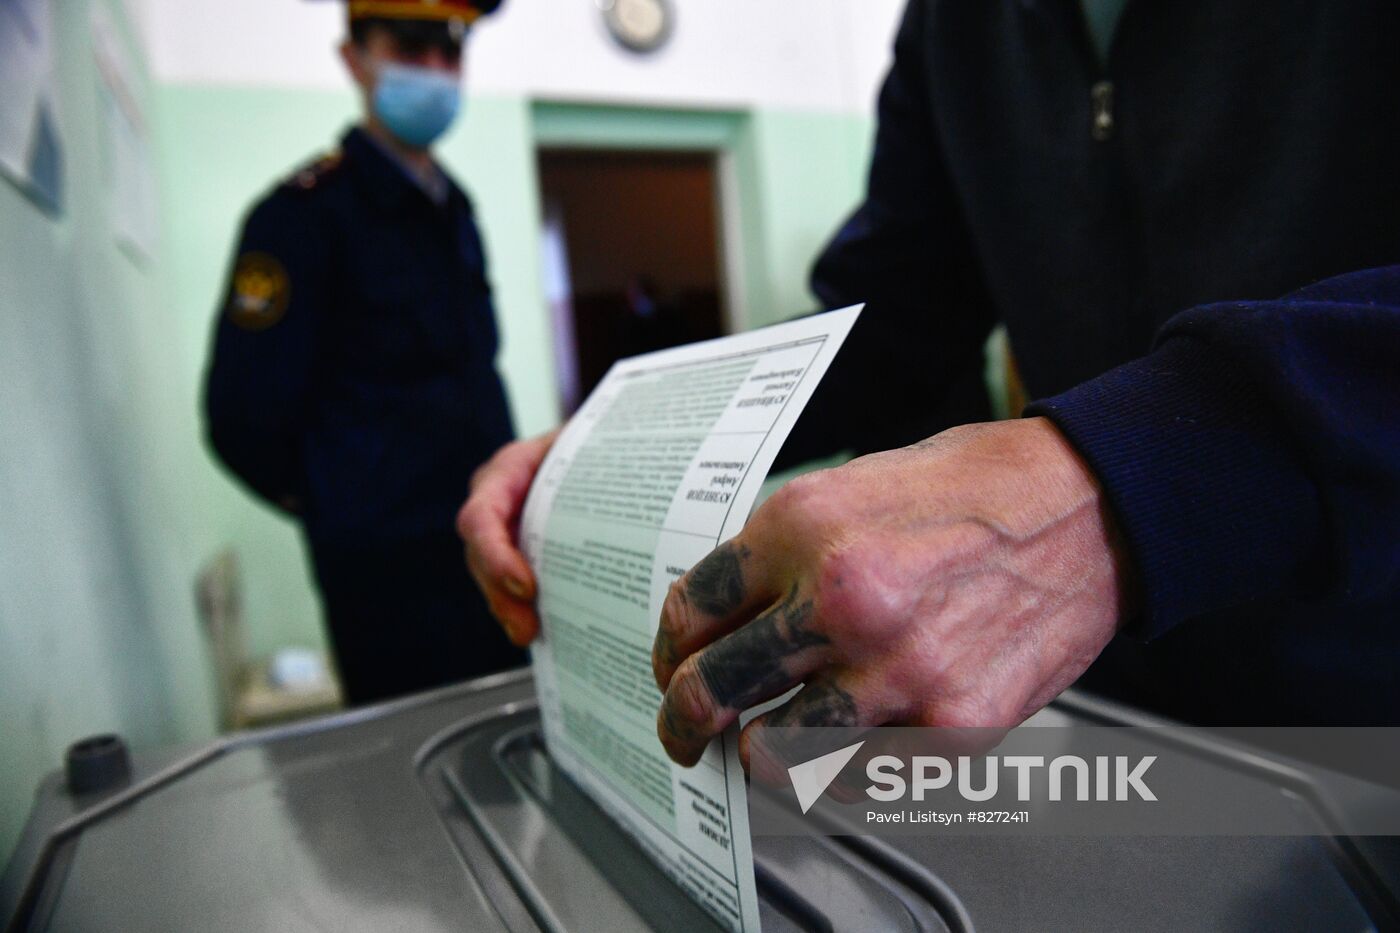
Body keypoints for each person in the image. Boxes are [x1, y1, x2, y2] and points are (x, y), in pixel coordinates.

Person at [460, 0, 1400, 767]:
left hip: (1366, 681)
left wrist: (1131, 483)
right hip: (1109, 710)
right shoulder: (957, 24)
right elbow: (895, 312)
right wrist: (625, 439)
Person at [204, 0, 524, 706]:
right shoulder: (301, 217)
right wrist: (344, 505)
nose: (437, 70)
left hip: (491, 545)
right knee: (413, 781)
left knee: (513, 744)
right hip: (385, 580)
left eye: (452, 51)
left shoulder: (455, 209)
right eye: (411, 47)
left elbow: (471, 374)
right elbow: (240, 417)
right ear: (355, 58)